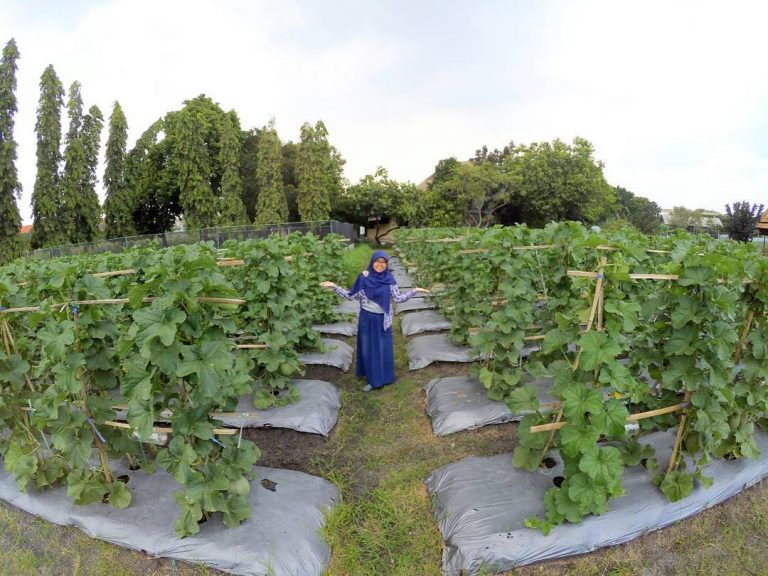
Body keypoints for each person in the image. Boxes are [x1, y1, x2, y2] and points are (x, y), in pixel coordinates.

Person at [320, 250, 429, 391]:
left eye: (383, 262)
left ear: (386, 265)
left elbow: (398, 298)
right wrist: (335, 287)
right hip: (366, 319)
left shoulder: (390, 281)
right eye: (377, 261)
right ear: (372, 262)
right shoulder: (364, 278)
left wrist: (414, 291)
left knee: (382, 349)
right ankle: (372, 378)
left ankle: (384, 377)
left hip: (382, 321)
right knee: (368, 349)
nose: (380, 265)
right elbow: (350, 296)